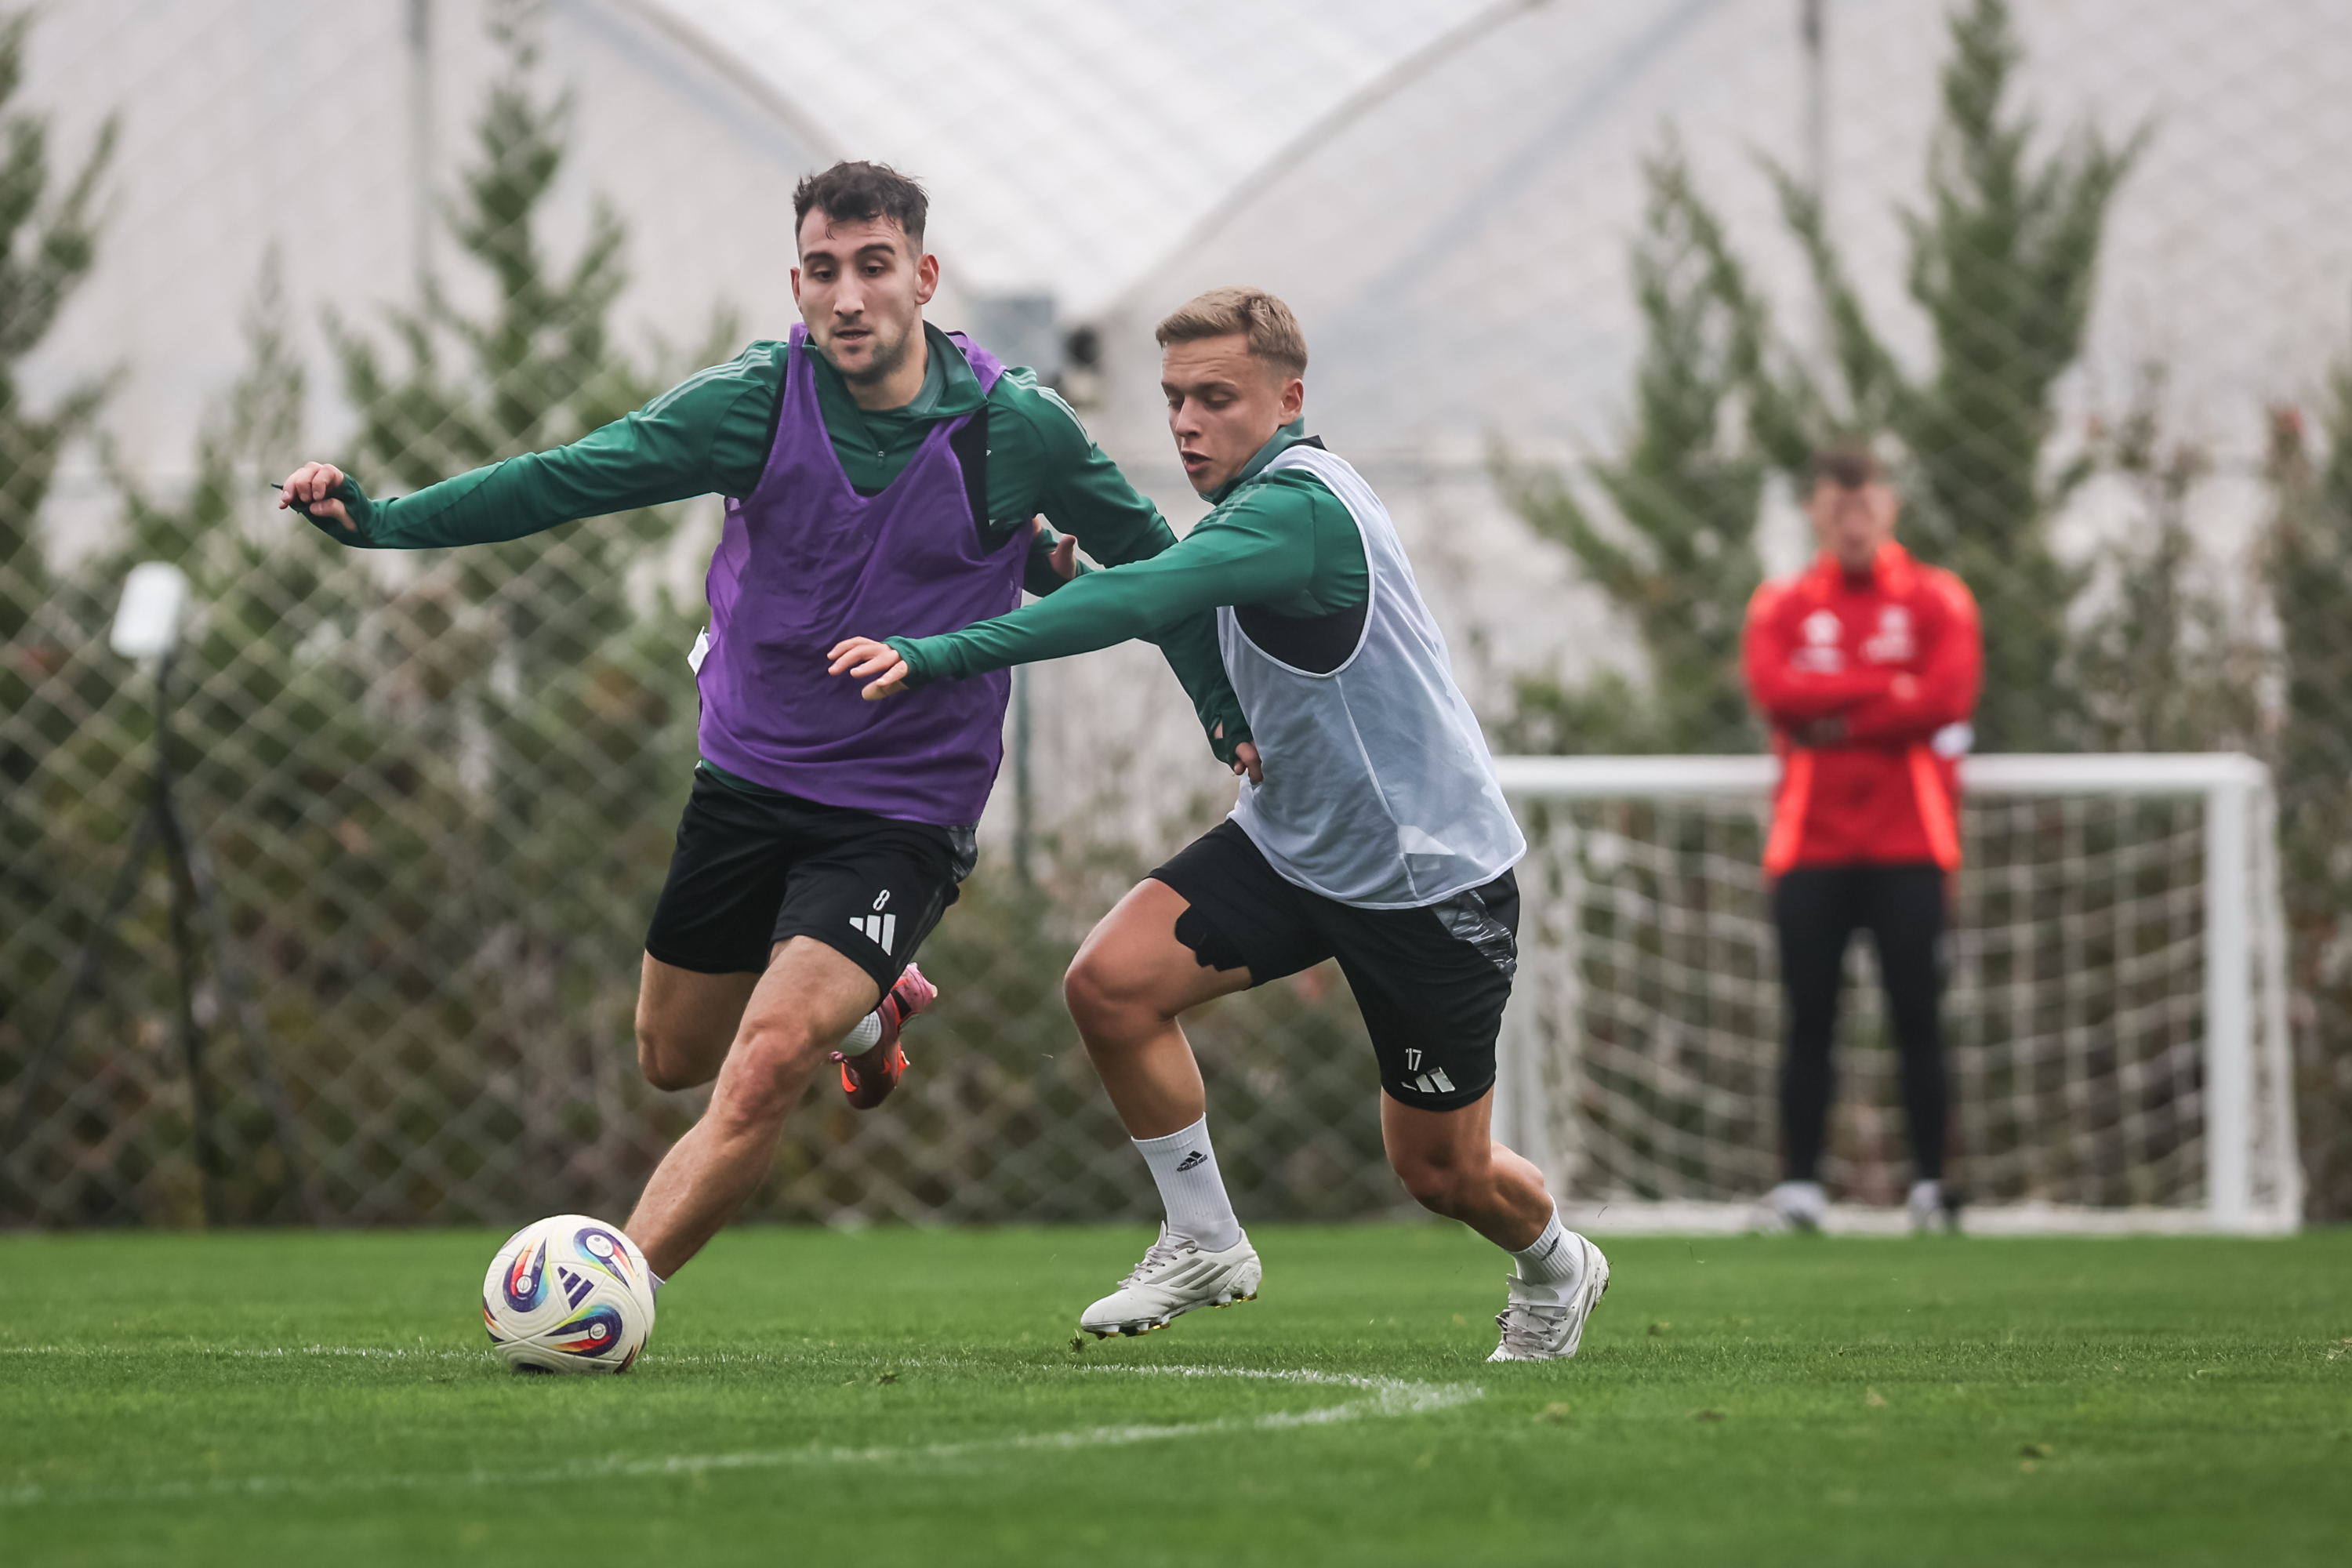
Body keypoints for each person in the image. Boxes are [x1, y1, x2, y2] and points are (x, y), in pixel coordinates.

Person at [276, 162, 1249, 1287]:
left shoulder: (1013, 427)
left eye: (875, 267)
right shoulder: (753, 403)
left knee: (764, 1058)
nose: (849, 296)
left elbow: (1159, 565)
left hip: (901, 810)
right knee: (672, 1056)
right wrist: (384, 523)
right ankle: (871, 1013)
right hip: (745, 779)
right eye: (824, 271)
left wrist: (1219, 706)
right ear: (798, 286)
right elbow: (565, 478)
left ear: (924, 278)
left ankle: (605, 1298)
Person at [829, 287, 1610, 1360]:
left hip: (1424, 880)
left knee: (1441, 1173)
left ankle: (1559, 1262)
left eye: (1217, 398)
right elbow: (1167, 593)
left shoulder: (1298, 512)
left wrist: (935, 653)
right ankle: (1203, 1237)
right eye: (1174, 400)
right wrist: (1060, 568)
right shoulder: (1250, 509)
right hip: (1292, 845)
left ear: (1288, 400)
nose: (1188, 423)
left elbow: (1148, 598)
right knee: (1110, 985)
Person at [1740, 445, 1982, 1234]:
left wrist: (1833, 714)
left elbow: (1945, 698)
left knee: (1918, 1013)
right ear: (1814, 510)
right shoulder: (1780, 604)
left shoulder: (1938, 598)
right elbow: (1777, 693)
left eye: (1867, 505)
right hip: (1808, 846)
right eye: (1839, 507)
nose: (1854, 521)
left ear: (1889, 508)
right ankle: (1801, 1189)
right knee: (1810, 1016)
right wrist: (1886, 689)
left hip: (1911, 842)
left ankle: (1932, 1188)